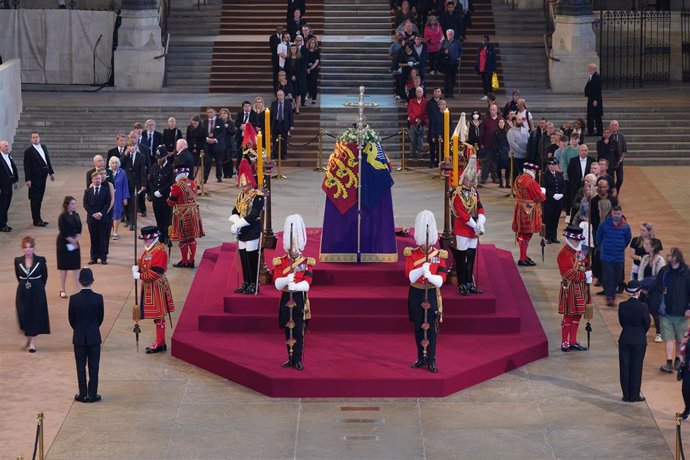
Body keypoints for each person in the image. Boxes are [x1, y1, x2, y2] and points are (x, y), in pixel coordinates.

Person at [404, 210, 448, 373]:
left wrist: (430, 275)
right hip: (416, 294)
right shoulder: (412, 253)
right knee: (418, 327)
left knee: (430, 328)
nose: (425, 245)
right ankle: (420, 357)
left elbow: (442, 277)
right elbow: (409, 276)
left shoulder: (438, 255)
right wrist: (421, 270)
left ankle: (431, 359)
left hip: (431, 293)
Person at [273, 214, 315, 370]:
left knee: (298, 331)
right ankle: (289, 358)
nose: (294, 251)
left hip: (299, 298)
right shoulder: (280, 261)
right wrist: (285, 280)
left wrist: (296, 286)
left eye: (296, 248)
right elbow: (277, 282)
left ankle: (298, 359)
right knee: (287, 330)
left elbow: (308, 282)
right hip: (285, 298)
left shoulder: (306, 262)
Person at [132, 226, 176, 354]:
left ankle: (159, 343)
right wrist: (137, 267)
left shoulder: (160, 251)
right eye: (145, 239)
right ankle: (160, 342)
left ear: (155, 237)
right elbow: (143, 262)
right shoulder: (149, 249)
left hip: (156, 286)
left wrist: (140, 275)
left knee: (159, 316)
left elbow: (156, 272)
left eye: (148, 239)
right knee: (157, 316)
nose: (146, 242)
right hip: (149, 286)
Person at [650, 248, 690, 374]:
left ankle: (678, 360)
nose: (667, 256)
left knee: (680, 338)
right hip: (666, 311)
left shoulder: (686, 273)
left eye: (669, 255)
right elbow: (656, 286)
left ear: (676, 257)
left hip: (682, 312)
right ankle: (668, 362)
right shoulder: (664, 271)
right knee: (668, 338)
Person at [450, 154, 485, 295]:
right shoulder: (456, 193)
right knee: (461, 259)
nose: (472, 184)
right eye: (470, 181)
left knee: (471, 257)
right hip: (463, 228)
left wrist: (481, 220)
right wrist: (474, 225)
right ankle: (462, 283)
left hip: (473, 229)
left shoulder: (474, 192)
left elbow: (480, 207)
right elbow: (462, 213)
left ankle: (469, 282)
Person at [230, 154, 265, 294]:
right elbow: (235, 210)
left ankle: (254, 283)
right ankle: (246, 282)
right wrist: (235, 221)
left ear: (250, 182)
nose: (242, 187)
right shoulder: (241, 195)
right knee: (243, 257)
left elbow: (253, 215)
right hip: (243, 231)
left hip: (252, 230)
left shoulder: (257, 196)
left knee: (251, 258)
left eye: (244, 185)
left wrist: (238, 225)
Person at [68, 268, 104, 403]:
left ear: (80, 281)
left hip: (79, 337)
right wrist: (93, 328)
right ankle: (93, 394)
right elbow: (100, 318)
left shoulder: (74, 299)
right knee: (94, 366)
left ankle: (83, 394)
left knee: (80, 366)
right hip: (94, 336)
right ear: (92, 281)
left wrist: (78, 329)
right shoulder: (98, 298)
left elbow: (71, 319)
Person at [557, 225, 591, 352]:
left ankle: (573, 341)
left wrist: (589, 273)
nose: (577, 242)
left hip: (581, 288)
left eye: (578, 240)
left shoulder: (580, 252)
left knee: (577, 315)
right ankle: (565, 341)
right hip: (570, 288)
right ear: (569, 239)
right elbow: (568, 274)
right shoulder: (563, 254)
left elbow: (586, 264)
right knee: (568, 315)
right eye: (575, 240)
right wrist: (584, 275)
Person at [15, 236, 50, 353]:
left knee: (35, 314)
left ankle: (32, 343)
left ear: (33, 247)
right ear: (22, 248)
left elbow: (45, 275)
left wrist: (40, 286)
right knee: (23, 314)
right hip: (23, 291)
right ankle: (28, 337)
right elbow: (18, 276)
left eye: (30, 247)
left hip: (37, 290)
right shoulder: (18, 261)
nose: (28, 250)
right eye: (25, 247)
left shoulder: (40, 260)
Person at [618, 280, 649, 402]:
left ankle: (626, 395)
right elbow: (646, 323)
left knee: (624, 367)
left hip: (625, 338)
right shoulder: (643, 307)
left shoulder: (622, 306)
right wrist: (640, 332)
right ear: (638, 292)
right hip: (639, 340)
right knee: (636, 367)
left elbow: (622, 322)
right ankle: (635, 395)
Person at [167, 166, 204, 268]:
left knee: (183, 239)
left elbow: (171, 202)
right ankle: (191, 261)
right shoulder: (193, 183)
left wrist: (169, 196)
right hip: (194, 212)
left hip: (183, 214)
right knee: (191, 238)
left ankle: (184, 260)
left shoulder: (176, 186)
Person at [596, 205, 631, 307]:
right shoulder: (604, 225)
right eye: (614, 213)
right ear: (611, 213)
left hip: (619, 257)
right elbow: (599, 237)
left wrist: (620, 247)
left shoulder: (625, 226)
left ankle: (611, 293)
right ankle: (610, 296)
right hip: (606, 256)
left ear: (621, 213)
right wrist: (603, 248)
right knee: (608, 277)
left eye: (618, 213)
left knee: (617, 277)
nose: (616, 215)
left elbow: (628, 239)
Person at [512, 163, 546, 266]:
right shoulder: (531, 182)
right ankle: (522, 258)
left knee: (522, 233)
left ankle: (523, 255)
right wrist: (543, 192)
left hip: (519, 207)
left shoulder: (518, 178)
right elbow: (540, 198)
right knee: (526, 234)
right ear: (531, 171)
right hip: (529, 210)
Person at [23, 131, 55, 227]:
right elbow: (26, 166)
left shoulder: (44, 147)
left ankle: (39, 218)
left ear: (39, 138)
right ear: (31, 139)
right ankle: (36, 220)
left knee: (40, 198)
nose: (35, 138)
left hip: (43, 177)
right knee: (35, 199)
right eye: (33, 137)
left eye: (37, 137)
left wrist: (51, 172)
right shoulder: (28, 151)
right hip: (34, 178)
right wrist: (28, 179)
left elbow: (47, 161)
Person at [639, 238, 665, 343]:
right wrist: (641, 287)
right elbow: (640, 273)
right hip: (643, 289)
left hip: (655, 290)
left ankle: (659, 333)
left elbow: (660, 277)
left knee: (655, 312)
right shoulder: (645, 258)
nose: (645, 246)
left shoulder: (660, 260)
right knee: (642, 311)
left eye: (647, 244)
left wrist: (650, 289)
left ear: (653, 247)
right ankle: (645, 329)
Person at [83, 171, 112, 265]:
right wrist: (93, 214)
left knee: (103, 238)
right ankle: (93, 257)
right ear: (92, 180)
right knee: (93, 238)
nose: (98, 180)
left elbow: (107, 204)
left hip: (102, 218)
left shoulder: (106, 190)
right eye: (96, 179)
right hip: (92, 219)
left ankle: (103, 257)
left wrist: (100, 214)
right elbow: (85, 204)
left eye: (99, 178)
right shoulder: (88, 191)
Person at [56, 196, 82, 299]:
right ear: (67, 205)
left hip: (75, 242)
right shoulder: (62, 217)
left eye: (75, 203)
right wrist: (73, 241)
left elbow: (80, 228)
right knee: (64, 268)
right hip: (64, 244)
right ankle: (62, 289)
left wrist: (77, 239)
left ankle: (78, 289)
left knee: (76, 267)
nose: (74, 205)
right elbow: (63, 231)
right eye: (72, 204)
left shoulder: (76, 215)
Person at [149, 148, 174, 246]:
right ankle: (160, 233)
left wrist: (161, 191)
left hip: (166, 198)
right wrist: (154, 192)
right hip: (156, 198)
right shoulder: (154, 167)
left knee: (167, 218)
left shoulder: (170, 168)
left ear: (166, 156)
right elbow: (150, 180)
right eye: (158, 158)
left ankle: (167, 235)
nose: (159, 160)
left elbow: (171, 182)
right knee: (158, 216)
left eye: (161, 157)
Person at [122, 139, 147, 231]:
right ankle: (128, 220)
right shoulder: (125, 156)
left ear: (136, 146)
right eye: (130, 146)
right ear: (127, 147)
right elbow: (120, 164)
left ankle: (133, 223)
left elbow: (142, 172)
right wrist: (125, 154)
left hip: (136, 183)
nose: (132, 147)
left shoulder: (141, 157)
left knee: (133, 203)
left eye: (133, 146)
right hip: (126, 183)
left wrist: (143, 184)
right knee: (126, 203)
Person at [543, 158, 565, 244]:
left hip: (558, 201)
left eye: (555, 164)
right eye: (552, 165)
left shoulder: (559, 174)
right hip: (549, 201)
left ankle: (554, 236)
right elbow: (544, 187)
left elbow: (563, 185)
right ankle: (548, 236)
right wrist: (552, 195)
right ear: (548, 165)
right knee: (548, 219)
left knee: (556, 218)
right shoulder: (545, 175)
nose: (554, 166)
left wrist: (562, 194)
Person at [108, 156, 129, 241]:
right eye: (113, 163)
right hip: (108, 197)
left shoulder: (122, 173)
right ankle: (108, 231)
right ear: (110, 164)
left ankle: (115, 232)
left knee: (117, 214)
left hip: (118, 197)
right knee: (109, 214)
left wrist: (125, 198)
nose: (114, 164)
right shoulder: (107, 172)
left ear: (119, 163)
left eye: (116, 162)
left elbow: (125, 186)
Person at [0, 140, 19, 232]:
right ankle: (2, 225)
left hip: (9, 184)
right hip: (2, 186)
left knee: (7, 204)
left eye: (7, 146)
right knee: (2, 206)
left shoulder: (9, 155)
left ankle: (4, 223)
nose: (7, 147)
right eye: (5, 146)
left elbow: (13, 168)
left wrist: (15, 180)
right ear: (0, 148)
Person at [203, 107, 225, 184]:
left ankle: (219, 177)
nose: (210, 113)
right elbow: (202, 132)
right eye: (208, 112)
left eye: (211, 112)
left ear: (215, 112)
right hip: (208, 144)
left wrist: (215, 139)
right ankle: (205, 178)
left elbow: (222, 132)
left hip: (217, 144)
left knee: (218, 161)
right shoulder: (204, 122)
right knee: (207, 162)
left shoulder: (220, 121)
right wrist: (207, 139)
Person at [271, 90, 294, 160]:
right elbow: (272, 115)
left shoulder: (288, 104)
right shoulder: (273, 103)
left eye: (281, 95)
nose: (279, 96)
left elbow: (290, 115)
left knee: (284, 140)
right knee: (275, 140)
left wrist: (291, 125)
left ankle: (283, 154)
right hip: (276, 123)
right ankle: (274, 154)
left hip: (284, 124)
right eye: (278, 95)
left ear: (284, 95)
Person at [407, 87, 428, 159]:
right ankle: (411, 154)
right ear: (416, 93)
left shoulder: (426, 101)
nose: (419, 93)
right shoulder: (411, 101)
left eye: (420, 92)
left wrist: (421, 120)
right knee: (412, 139)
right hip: (413, 123)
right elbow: (410, 112)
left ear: (422, 93)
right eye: (418, 92)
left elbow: (426, 112)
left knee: (420, 140)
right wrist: (415, 119)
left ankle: (420, 154)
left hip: (422, 123)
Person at [440, 28, 461, 98]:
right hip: (446, 63)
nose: (450, 35)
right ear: (446, 35)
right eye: (448, 34)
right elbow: (440, 51)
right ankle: (446, 92)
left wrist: (459, 57)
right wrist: (444, 52)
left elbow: (460, 51)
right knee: (446, 78)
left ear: (453, 35)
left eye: (451, 34)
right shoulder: (444, 42)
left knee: (453, 78)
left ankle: (451, 92)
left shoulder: (457, 42)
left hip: (454, 63)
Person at [585, 63, 603, 137]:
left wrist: (595, 100)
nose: (589, 69)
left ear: (594, 69)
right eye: (589, 68)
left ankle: (593, 131)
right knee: (593, 116)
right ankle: (594, 131)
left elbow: (598, 89)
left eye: (591, 68)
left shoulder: (596, 77)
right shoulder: (592, 76)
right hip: (591, 99)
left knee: (594, 116)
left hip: (594, 100)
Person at [475, 35, 496, 101]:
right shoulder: (480, 48)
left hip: (489, 68)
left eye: (485, 40)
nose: (483, 41)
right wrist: (477, 67)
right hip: (482, 68)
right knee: (484, 82)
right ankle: (486, 95)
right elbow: (478, 58)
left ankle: (490, 96)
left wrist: (493, 68)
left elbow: (494, 58)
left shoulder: (491, 48)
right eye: (482, 40)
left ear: (488, 41)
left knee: (488, 82)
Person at [609, 120, 626, 194]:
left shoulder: (621, 136)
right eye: (612, 125)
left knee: (620, 179)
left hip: (619, 161)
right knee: (611, 179)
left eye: (615, 125)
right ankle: (612, 195)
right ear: (610, 126)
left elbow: (624, 150)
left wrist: (621, 159)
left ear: (618, 126)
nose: (614, 126)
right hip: (610, 162)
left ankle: (616, 192)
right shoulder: (608, 136)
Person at [493, 118, 510, 187]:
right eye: (500, 122)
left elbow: (509, 142)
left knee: (508, 168)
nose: (501, 124)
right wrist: (499, 150)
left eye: (502, 122)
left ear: (504, 123)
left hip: (506, 152)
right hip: (499, 152)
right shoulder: (495, 132)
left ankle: (507, 183)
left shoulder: (508, 132)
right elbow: (494, 143)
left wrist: (507, 150)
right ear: (498, 124)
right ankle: (500, 183)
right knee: (499, 168)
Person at [305, 37, 320, 104]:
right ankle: (306, 96)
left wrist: (310, 68)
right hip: (306, 69)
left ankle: (314, 98)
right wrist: (307, 68)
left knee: (314, 84)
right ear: (309, 43)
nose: (312, 44)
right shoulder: (306, 51)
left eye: (314, 43)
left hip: (314, 70)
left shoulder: (317, 51)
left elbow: (316, 62)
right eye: (311, 42)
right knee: (307, 84)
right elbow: (304, 60)